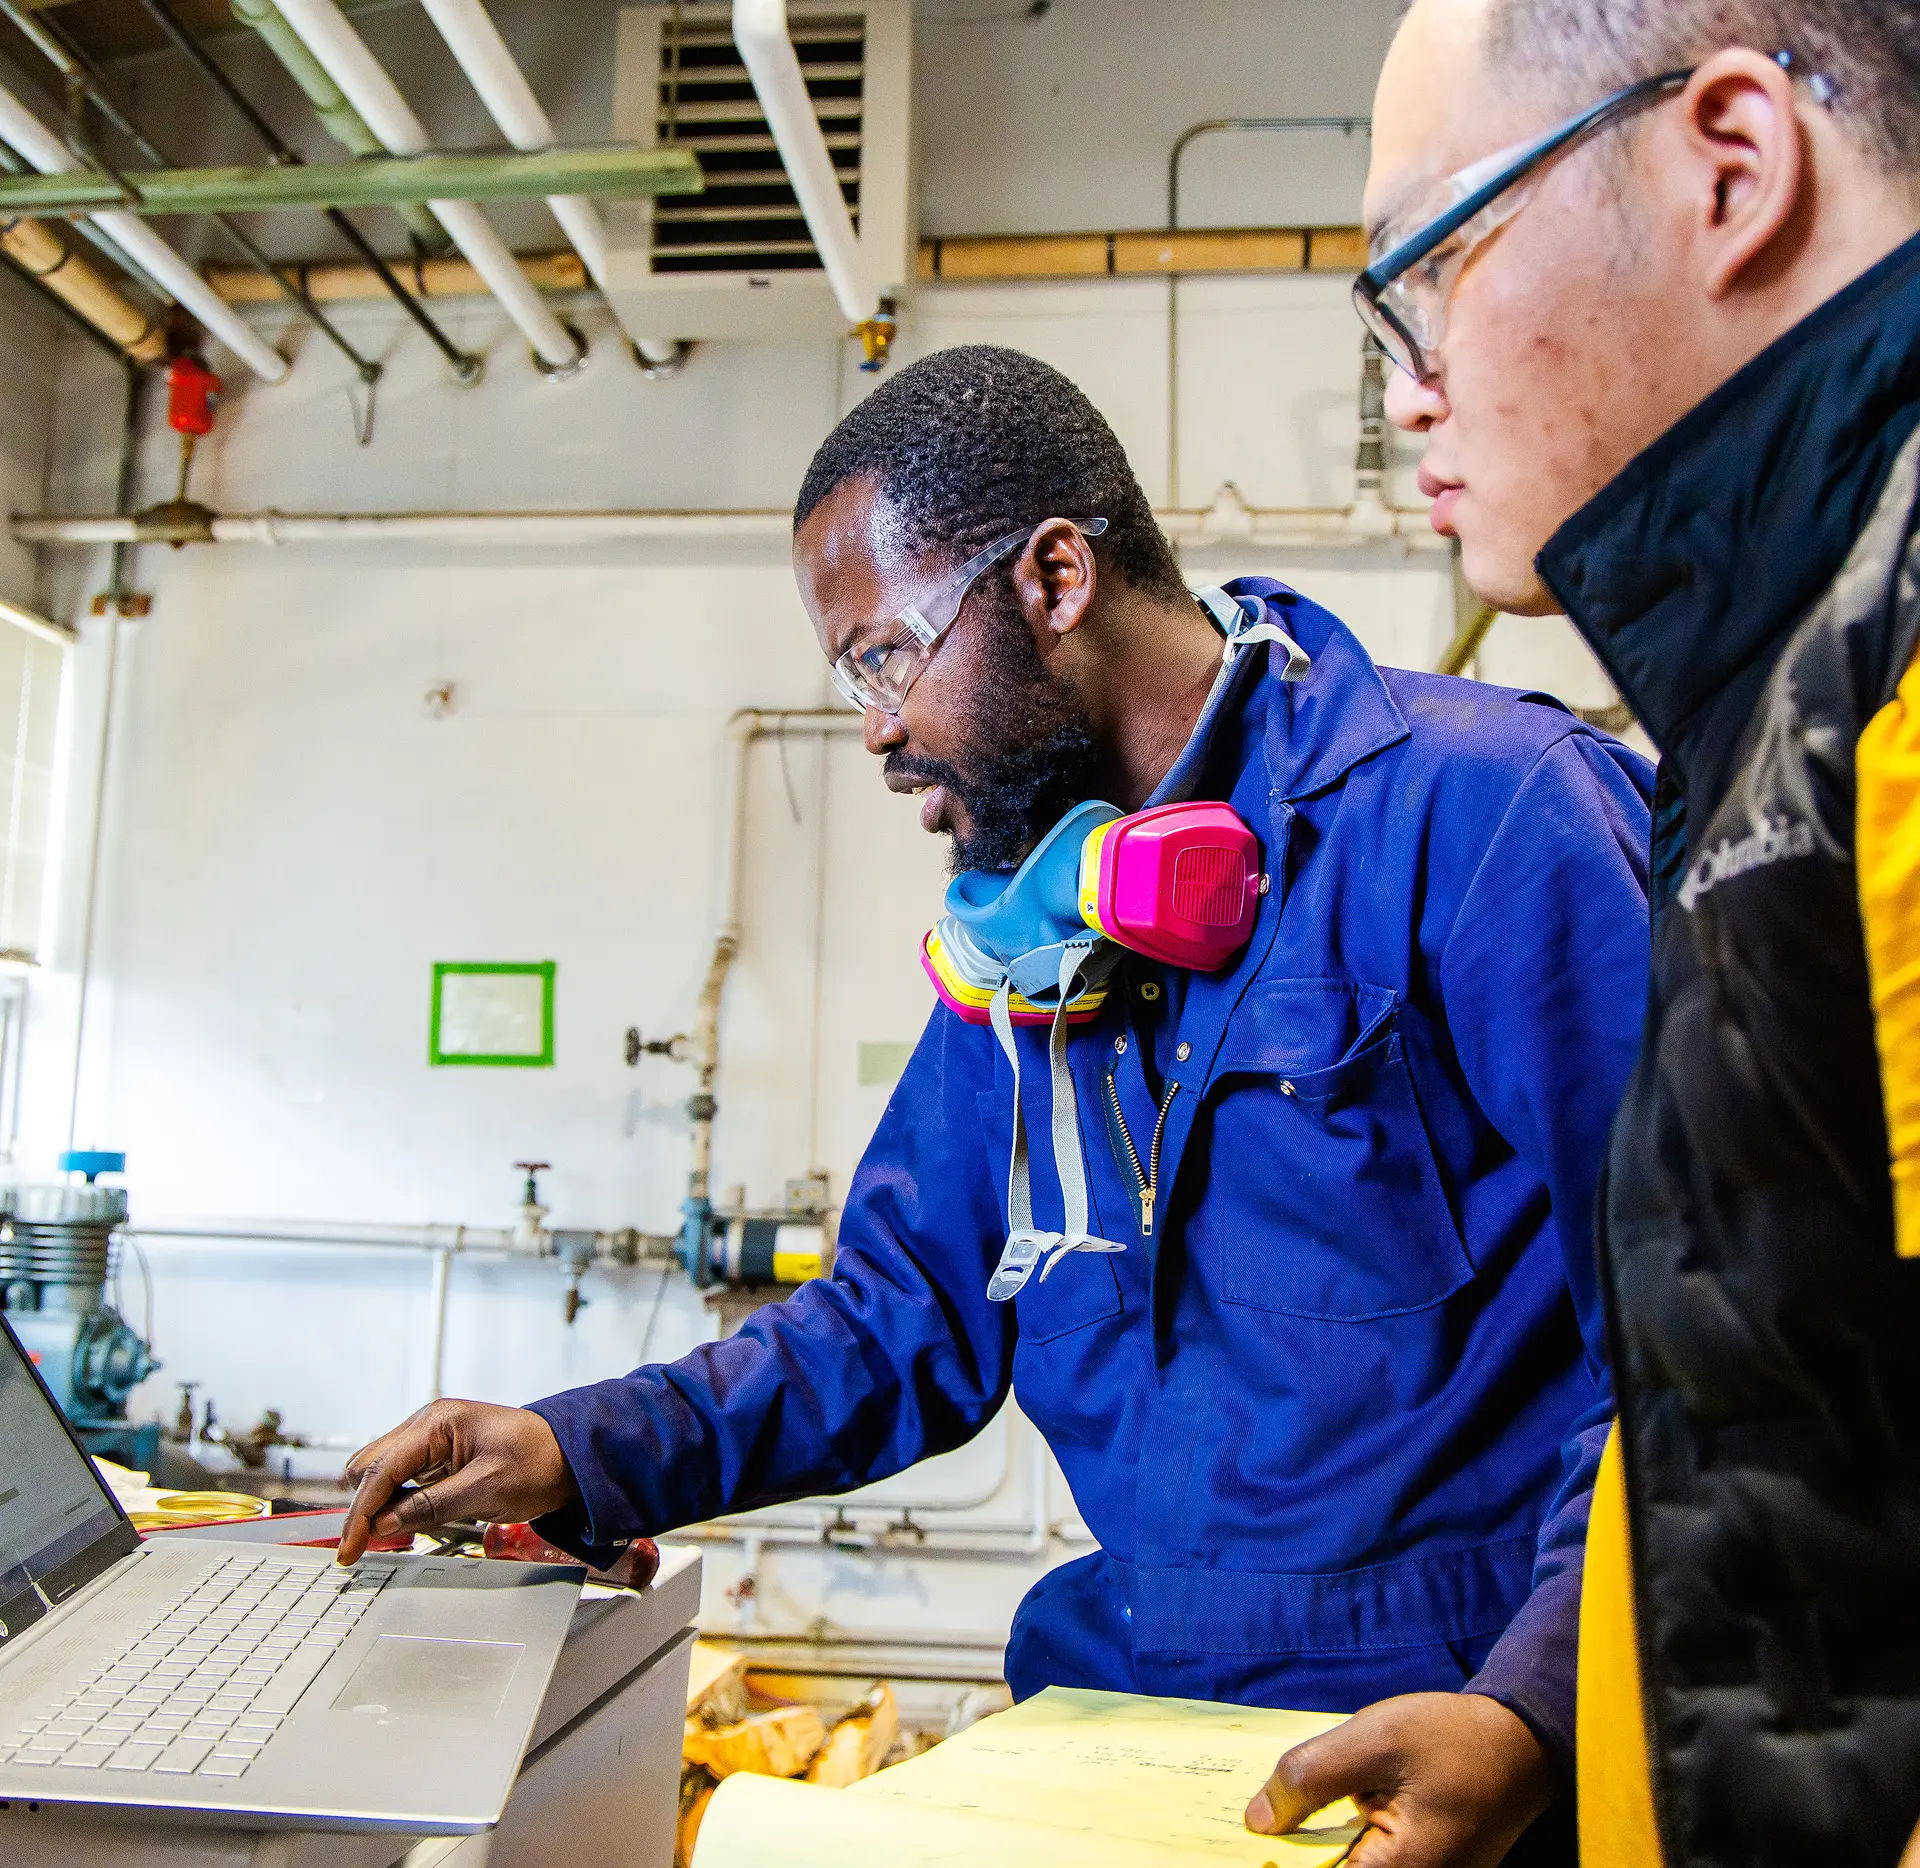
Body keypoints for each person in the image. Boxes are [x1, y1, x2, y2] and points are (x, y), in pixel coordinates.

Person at [336, 347, 1651, 1863]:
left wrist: (1537, 1712)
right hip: (1131, 1724)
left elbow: (1705, 1345)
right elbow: (899, 1319)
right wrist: (579, 1451)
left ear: (1055, 576)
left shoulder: (1482, 816)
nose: (875, 730)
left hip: (1451, 1748)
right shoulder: (1034, 940)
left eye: (888, 657)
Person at [1245, 3, 1920, 1865]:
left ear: (1729, 169)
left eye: (1431, 268)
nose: (1405, 390)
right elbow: (1792, 1413)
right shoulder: (1777, 703)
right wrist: (1544, 1726)